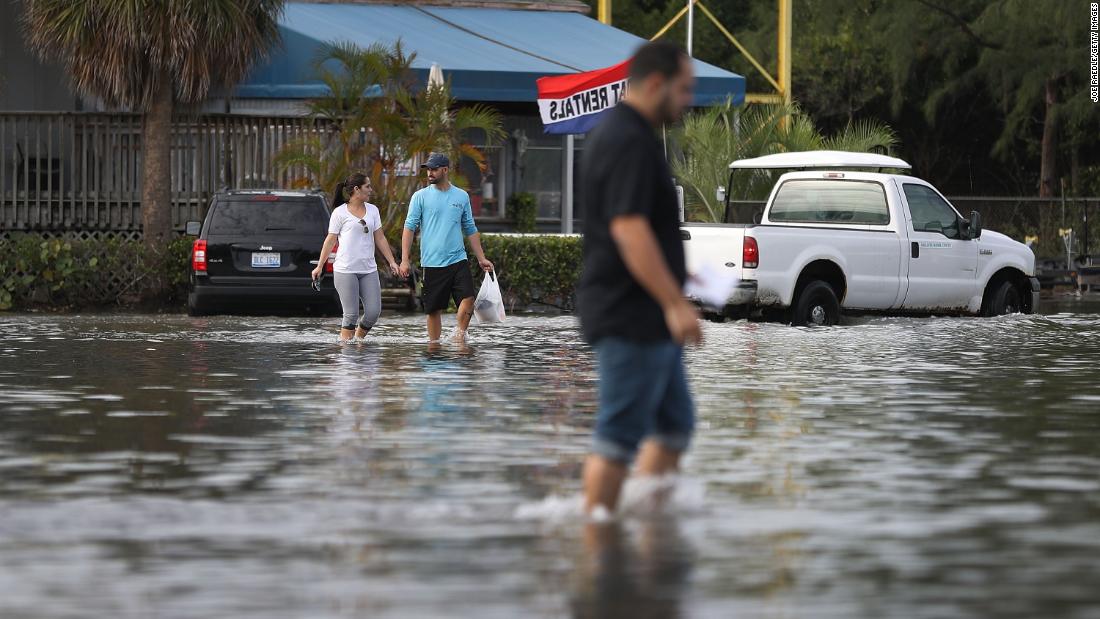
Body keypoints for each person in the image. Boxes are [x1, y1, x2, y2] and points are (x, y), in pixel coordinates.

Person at [576, 41, 702, 516]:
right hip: (629, 313)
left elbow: (642, 228)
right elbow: (628, 230)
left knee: (673, 427)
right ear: (655, 83)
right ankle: (597, 543)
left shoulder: (632, 135)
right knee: (619, 433)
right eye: (684, 89)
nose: (688, 100)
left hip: (646, 311)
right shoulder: (626, 139)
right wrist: (674, 302)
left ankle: (649, 532)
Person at [399, 153, 493, 342]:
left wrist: (481, 258)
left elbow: (470, 228)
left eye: (434, 169)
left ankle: (459, 337)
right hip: (432, 262)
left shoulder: (461, 196)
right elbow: (409, 228)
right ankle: (434, 348)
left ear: (445, 170)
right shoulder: (420, 197)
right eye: (428, 170)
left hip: (458, 260)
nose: (430, 173)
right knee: (433, 310)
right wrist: (404, 260)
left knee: (468, 299)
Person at [312, 172, 400, 344]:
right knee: (351, 315)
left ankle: (357, 341)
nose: (371, 190)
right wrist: (320, 266)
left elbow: (380, 237)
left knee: (373, 312)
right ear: (356, 189)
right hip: (346, 270)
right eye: (368, 186)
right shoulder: (340, 213)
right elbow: (330, 241)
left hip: (369, 269)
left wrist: (391, 261)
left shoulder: (373, 210)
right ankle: (347, 357)